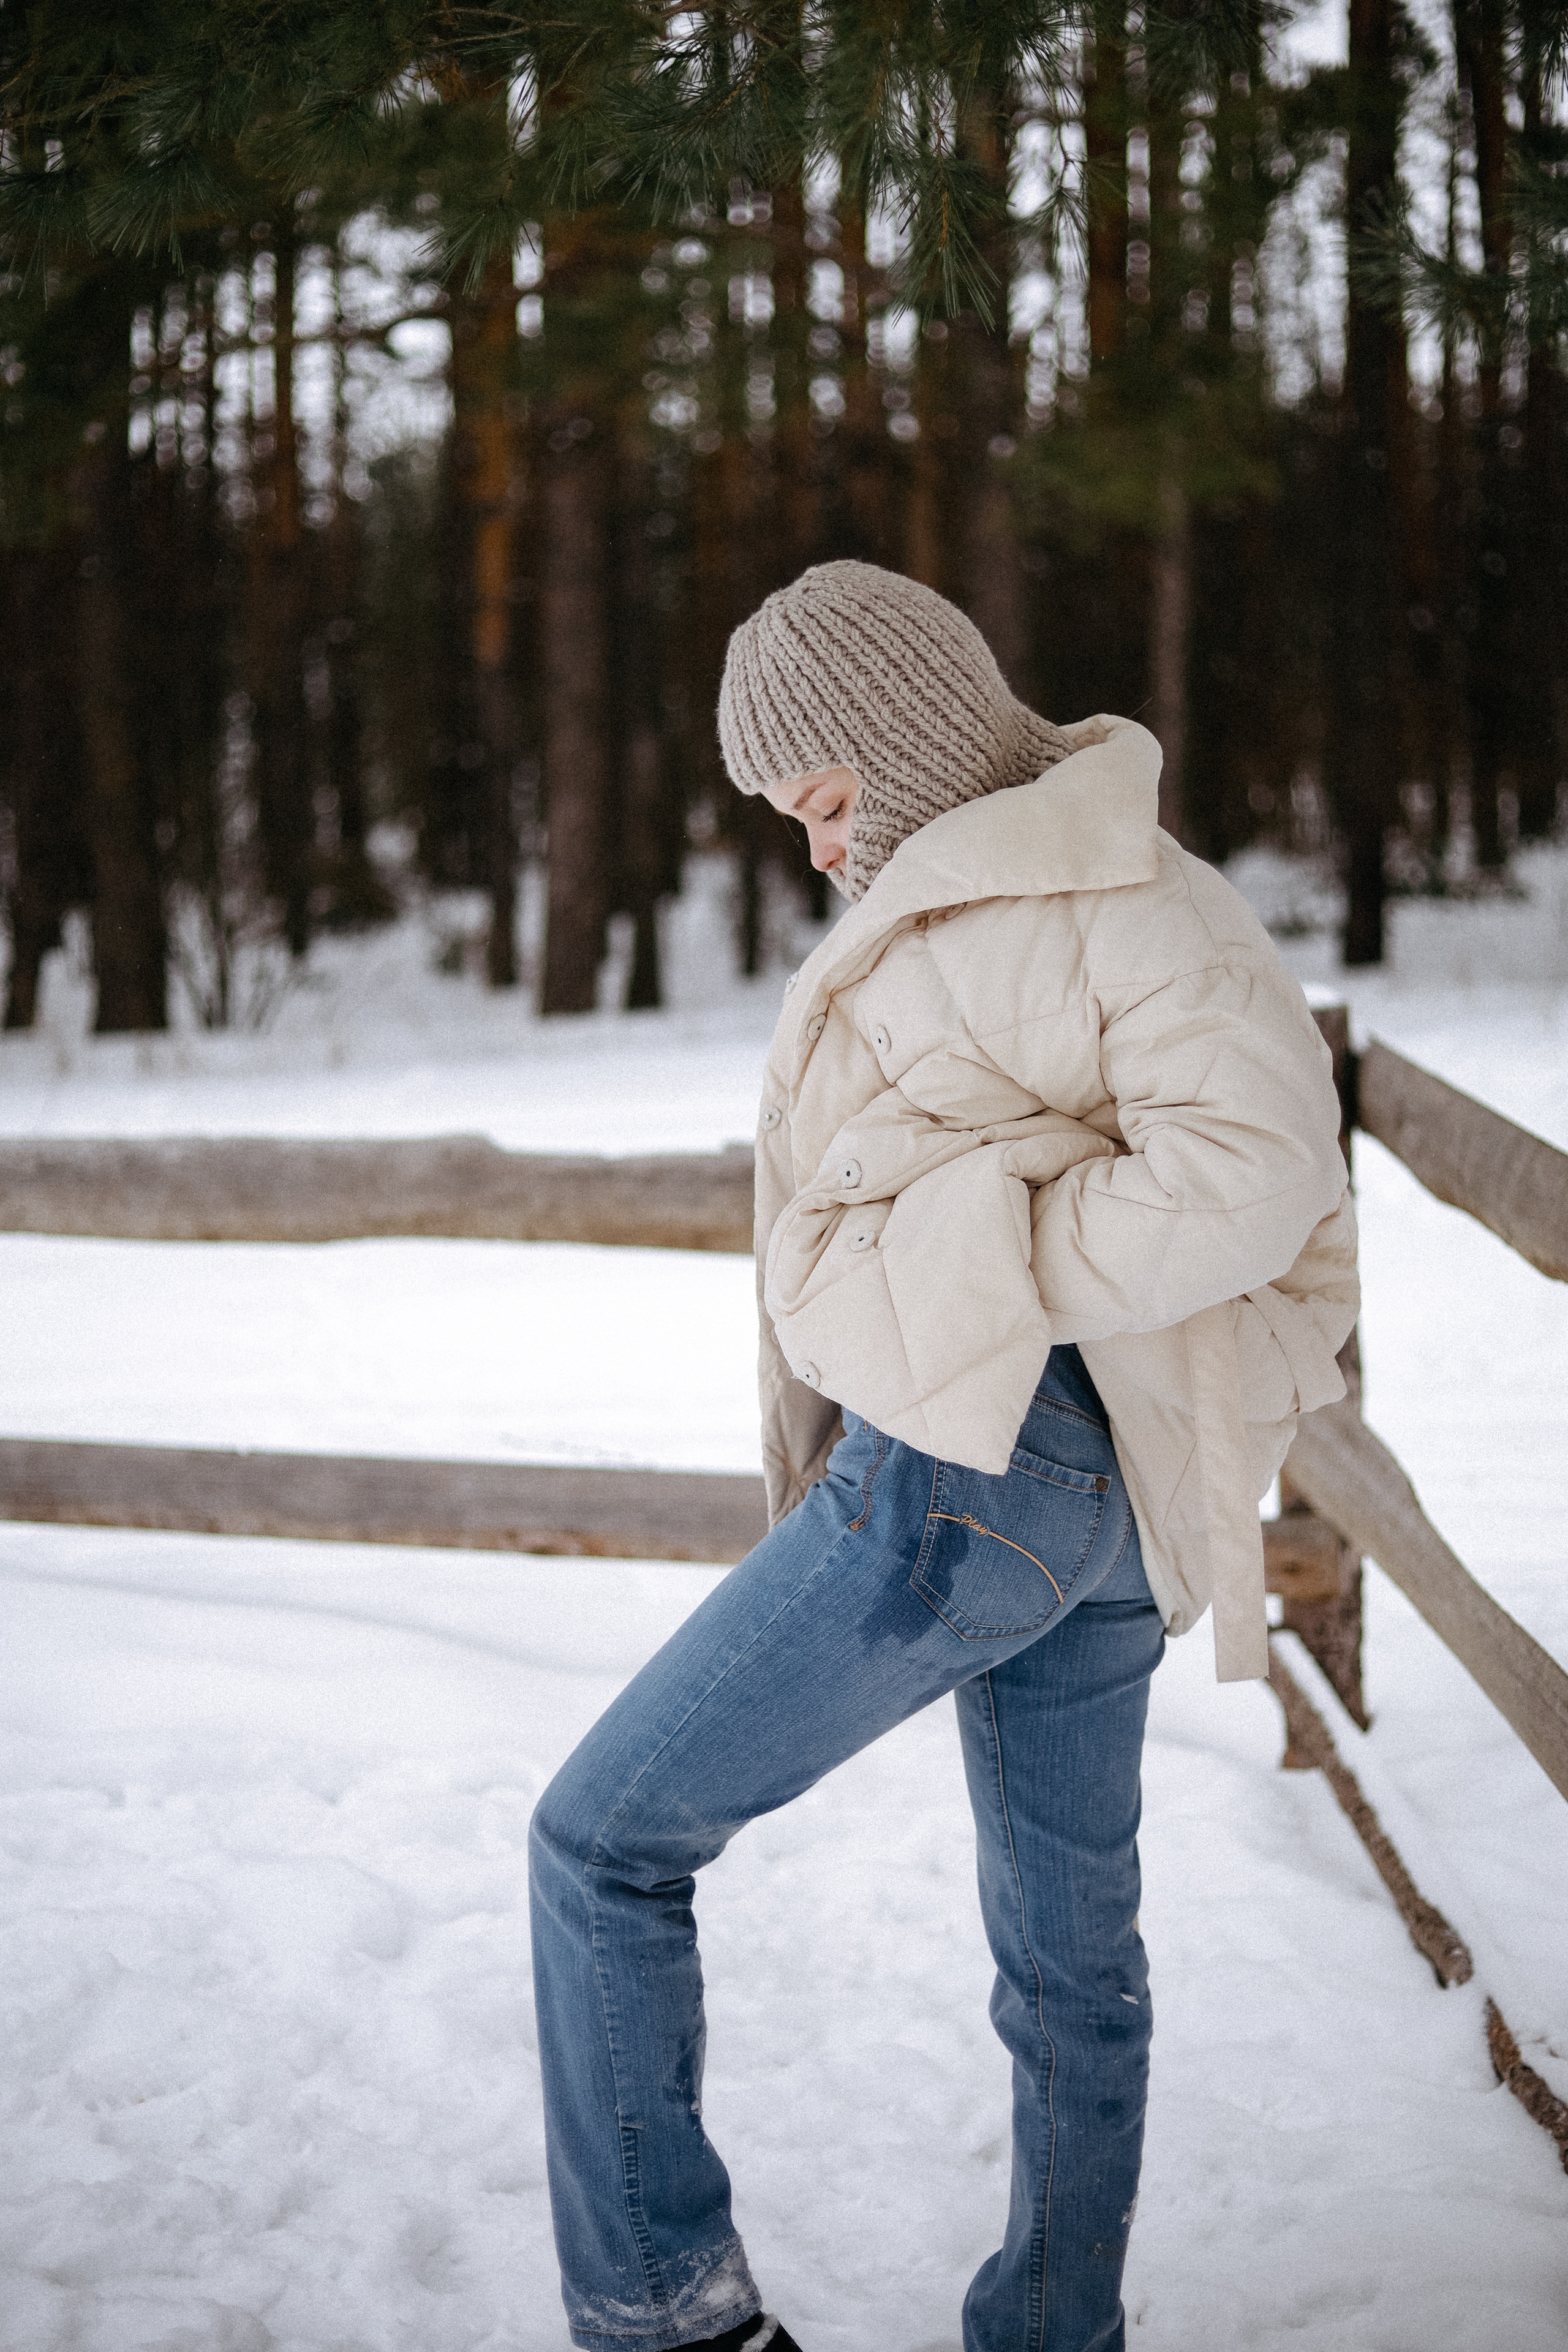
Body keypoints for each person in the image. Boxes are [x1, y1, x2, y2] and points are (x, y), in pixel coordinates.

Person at [530, 561, 1360, 2352]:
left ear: (907, 742)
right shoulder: (989, 900)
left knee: (600, 1846)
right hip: (1100, 1486)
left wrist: (976, 1261)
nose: (821, 851)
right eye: (794, 820)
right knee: (1072, 1974)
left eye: (828, 800)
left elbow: (1253, 1175)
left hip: (985, 1465)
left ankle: (665, 2319)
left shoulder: (1119, 897)